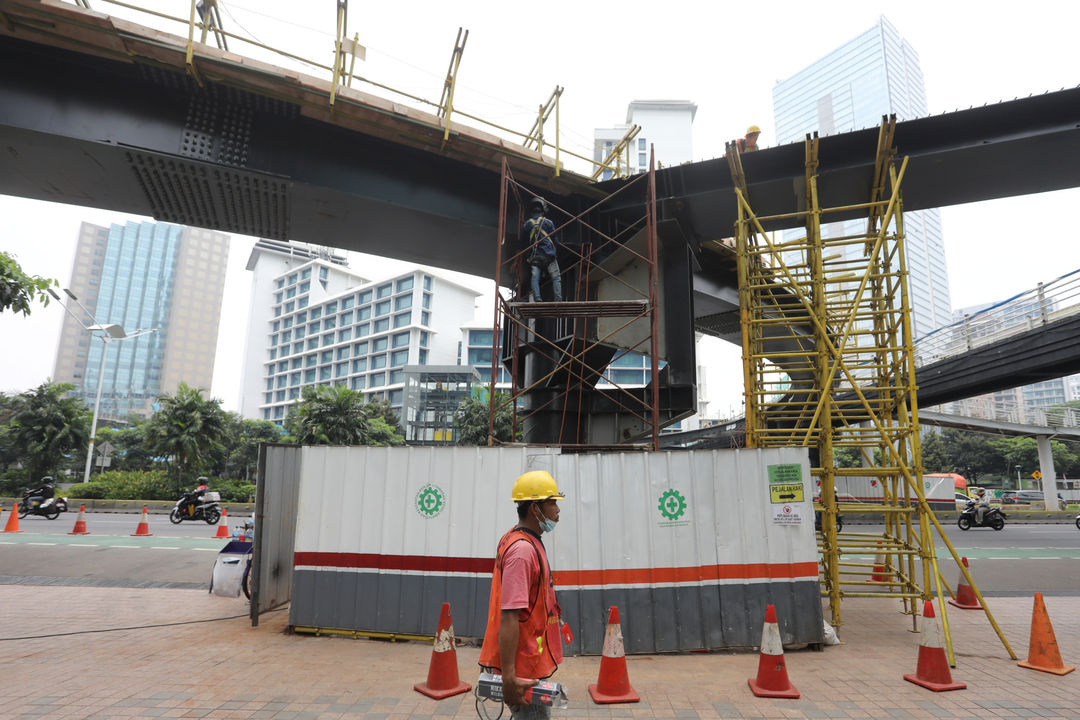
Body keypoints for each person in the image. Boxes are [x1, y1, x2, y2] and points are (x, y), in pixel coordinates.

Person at [479, 470, 567, 718]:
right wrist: (509, 678)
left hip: (529, 663)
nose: (557, 510)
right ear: (534, 508)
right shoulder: (522, 552)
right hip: (522, 672)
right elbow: (509, 616)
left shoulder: (526, 539)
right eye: (552, 502)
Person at [520, 197, 562, 303]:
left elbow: (523, 242)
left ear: (531, 212)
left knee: (535, 278)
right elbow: (555, 240)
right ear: (543, 212)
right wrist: (555, 251)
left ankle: (537, 298)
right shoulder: (548, 222)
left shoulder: (527, 225)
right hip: (549, 255)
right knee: (556, 277)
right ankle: (558, 299)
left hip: (535, 256)